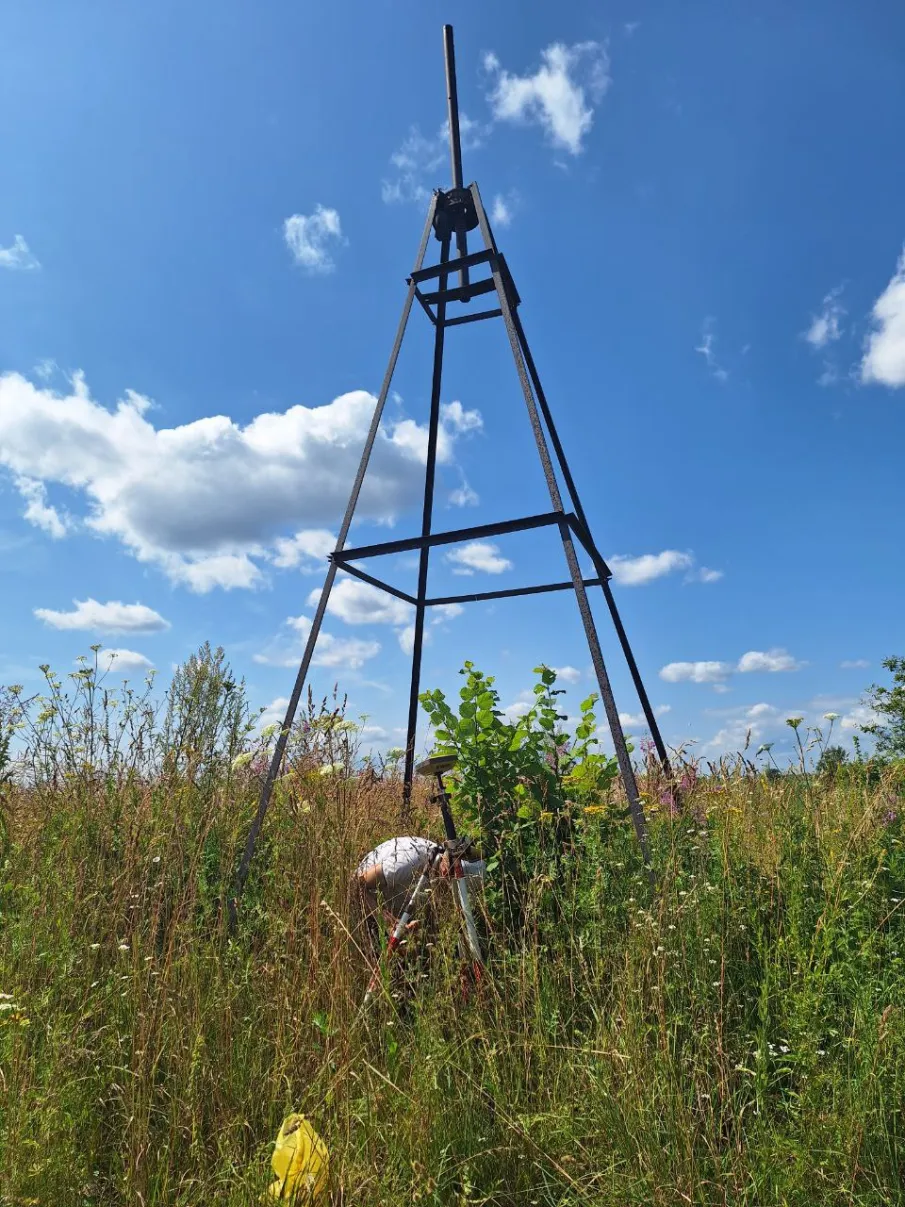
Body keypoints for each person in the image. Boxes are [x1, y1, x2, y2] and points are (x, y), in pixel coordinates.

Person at [352, 835, 485, 962]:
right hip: (363, 912)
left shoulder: (448, 886)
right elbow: (356, 885)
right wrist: (386, 923)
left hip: (399, 917)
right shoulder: (407, 862)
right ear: (446, 868)